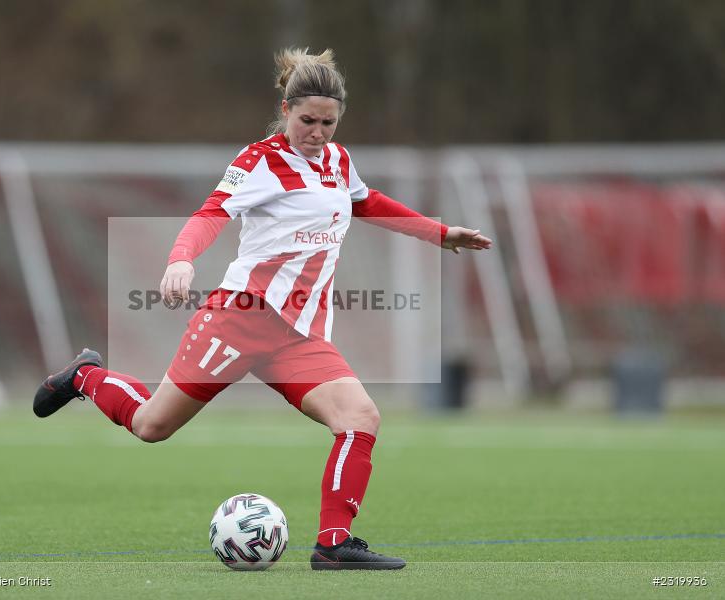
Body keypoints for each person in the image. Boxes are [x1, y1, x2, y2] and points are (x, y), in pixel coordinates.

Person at [33, 47, 491, 570]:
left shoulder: (339, 162)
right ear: (285, 110)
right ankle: (87, 376)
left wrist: (438, 234)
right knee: (151, 426)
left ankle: (334, 546)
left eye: (328, 123)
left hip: (298, 336)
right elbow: (211, 214)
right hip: (241, 319)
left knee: (360, 418)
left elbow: (366, 202)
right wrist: (181, 259)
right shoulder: (258, 161)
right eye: (307, 121)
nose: (317, 133)